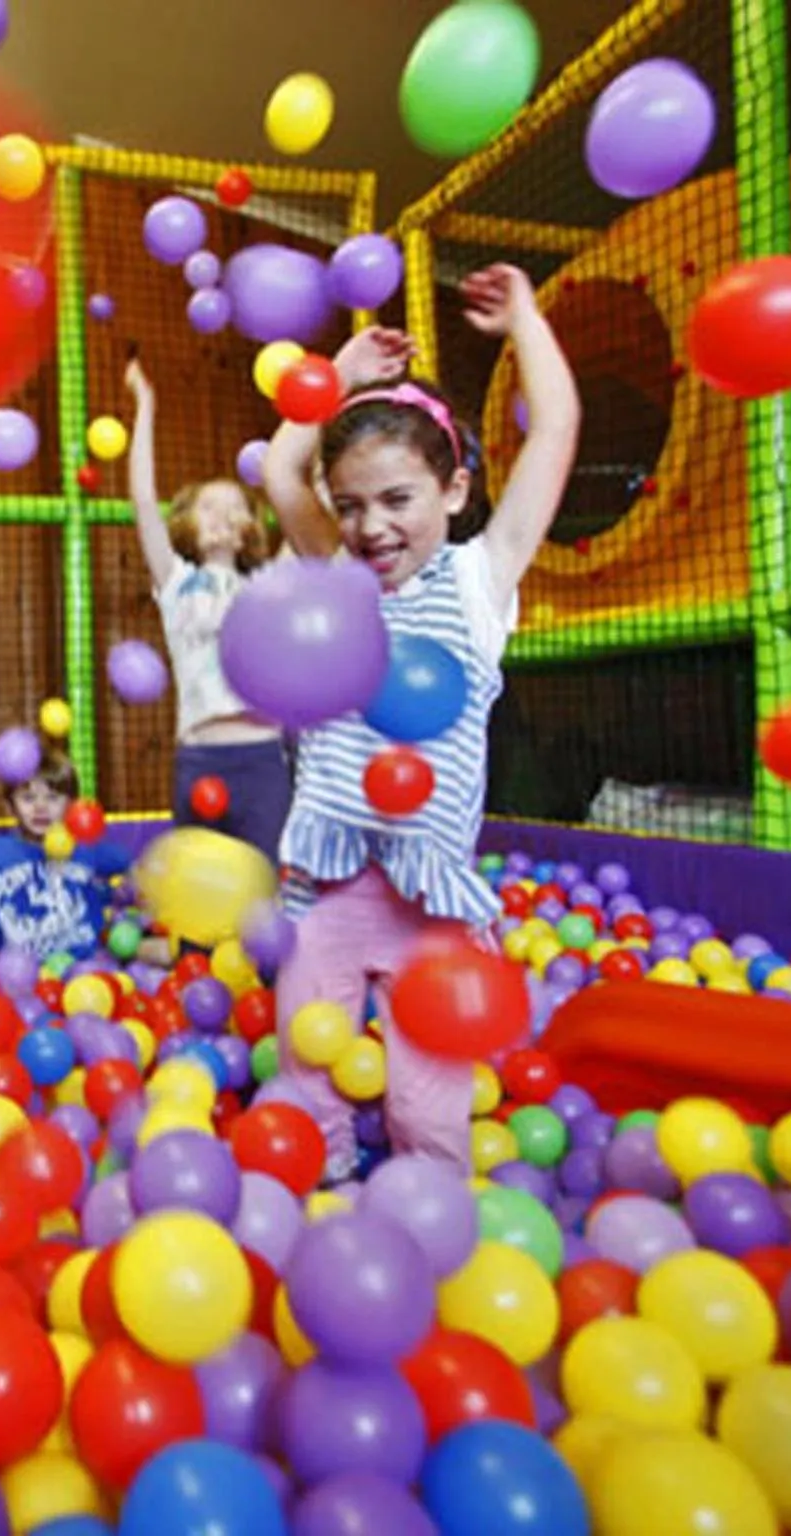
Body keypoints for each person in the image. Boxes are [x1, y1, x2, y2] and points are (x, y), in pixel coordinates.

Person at [255, 267, 580, 1180]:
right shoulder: (338, 572)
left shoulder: (480, 580)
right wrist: (340, 377)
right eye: (351, 505)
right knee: (307, 1062)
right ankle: (320, 1192)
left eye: (397, 500)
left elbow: (556, 430)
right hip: (325, 881)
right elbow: (281, 469)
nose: (372, 527)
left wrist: (526, 322)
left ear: (455, 490)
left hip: (429, 895)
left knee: (425, 1096)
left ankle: (430, 1198)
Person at [125, 359, 292, 863]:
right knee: (199, 890)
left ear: (249, 528)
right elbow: (142, 500)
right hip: (199, 756)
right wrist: (145, 407)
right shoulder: (177, 583)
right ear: (188, 524)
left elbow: (310, 514)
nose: (221, 515)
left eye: (233, 506)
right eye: (208, 507)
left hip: (261, 757)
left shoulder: (267, 585)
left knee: (263, 887)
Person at [0, 748, 130, 962]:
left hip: (84, 968)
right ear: (10, 806)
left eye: (52, 798)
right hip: (17, 972)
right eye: (28, 798)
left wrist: (122, 896)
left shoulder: (86, 846)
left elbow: (135, 871)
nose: (40, 807)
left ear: (71, 805)